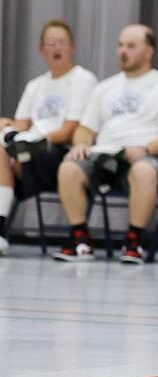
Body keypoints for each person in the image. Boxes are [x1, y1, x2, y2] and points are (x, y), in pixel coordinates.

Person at [53, 25, 158, 264]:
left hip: (146, 155)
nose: (122, 51)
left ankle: (134, 241)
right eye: (120, 45)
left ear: (149, 51)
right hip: (106, 155)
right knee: (69, 167)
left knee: (143, 170)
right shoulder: (105, 88)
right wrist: (81, 144)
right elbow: (85, 128)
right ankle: (80, 238)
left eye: (130, 46)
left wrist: (146, 149)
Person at [0, 20, 98, 255]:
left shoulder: (83, 79)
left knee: (6, 155)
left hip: (61, 151)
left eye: (62, 42)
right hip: (28, 149)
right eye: (50, 43)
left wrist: (28, 139)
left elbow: (69, 130)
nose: (57, 48)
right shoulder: (36, 85)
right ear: (41, 49)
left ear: (72, 47)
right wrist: (7, 125)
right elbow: (21, 124)